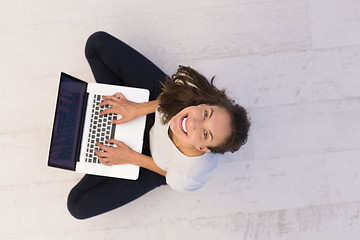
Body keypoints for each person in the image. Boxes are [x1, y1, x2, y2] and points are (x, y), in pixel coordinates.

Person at [67, 31, 250, 220]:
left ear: (203, 148)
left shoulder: (191, 176)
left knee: (77, 205)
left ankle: (115, 120)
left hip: (154, 162)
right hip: (159, 107)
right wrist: (137, 108)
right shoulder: (193, 94)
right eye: (205, 114)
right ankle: (116, 111)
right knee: (97, 44)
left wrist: (130, 156)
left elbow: (168, 174)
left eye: (205, 134)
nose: (194, 123)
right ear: (204, 104)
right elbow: (168, 98)